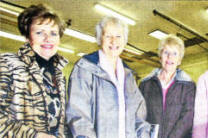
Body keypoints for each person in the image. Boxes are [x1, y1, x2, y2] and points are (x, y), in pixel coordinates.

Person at [66, 16, 150, 138]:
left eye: (118, 36)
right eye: (108, 36)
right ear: (100, 39)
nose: (114, 41)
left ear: (125, 40)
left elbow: (139, 116)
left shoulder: (129, 76)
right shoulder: (85, 68)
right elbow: (78, 115)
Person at [0, 4, 68, 138]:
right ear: (27, 37)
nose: (47, 38)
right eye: (39, 33)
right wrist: (33, 135)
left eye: (53, 33)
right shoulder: (7, 64)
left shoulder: (59, 75)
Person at [139, 34, 196, 138]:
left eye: (175, 53)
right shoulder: (145, 84)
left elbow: (188, 118)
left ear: (179, 60)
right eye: (166, 52)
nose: (170, 57)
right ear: (160, 57)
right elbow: (140, 116)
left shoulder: (188, 86)